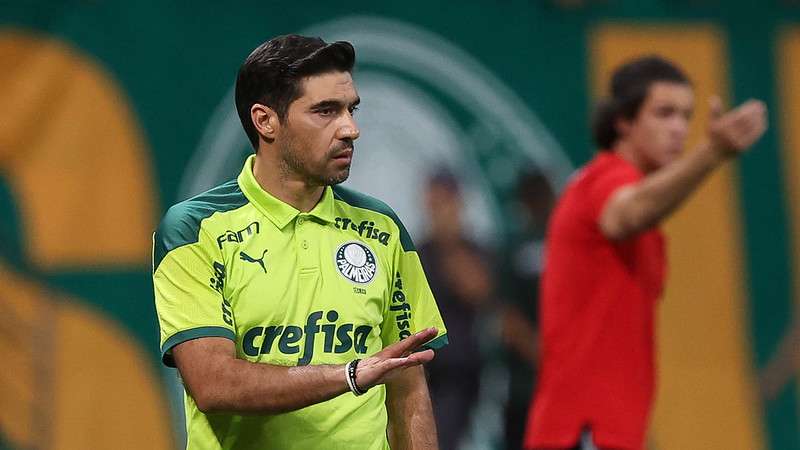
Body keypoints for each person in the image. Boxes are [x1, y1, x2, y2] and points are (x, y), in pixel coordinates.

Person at [152, 34, 448, 450]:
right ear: (265, 121)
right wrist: (349, 373)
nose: (351, 129)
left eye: (351, 109)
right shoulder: (195, 229)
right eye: (326, 111)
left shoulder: (381, 226)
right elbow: (213, 383)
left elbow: (407, 382)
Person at [523, 55, 767, 450]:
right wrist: (711, 154)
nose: (679, 129)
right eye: (664, 113)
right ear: (623, 120)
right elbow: (629, 212)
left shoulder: (622, 192)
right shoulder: (606, 180)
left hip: (608, 429)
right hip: (584, 429)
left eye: (686, 116)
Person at [417, 169, 493, 450]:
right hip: (424, 369)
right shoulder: (418, 252)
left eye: (445, 202)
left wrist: (450, 240)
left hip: (459, 371)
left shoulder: (473, 251)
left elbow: (478, 291)